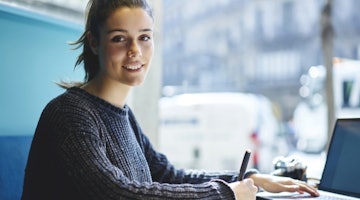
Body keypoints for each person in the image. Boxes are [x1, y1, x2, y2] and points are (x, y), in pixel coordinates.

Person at [21, 0, 320, 199]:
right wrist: (225, 194)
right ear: (95, 43)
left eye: (144, 37)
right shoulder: (69, 114)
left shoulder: (122, 114)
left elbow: (167, 175)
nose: (135, 51)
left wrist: (253, 178)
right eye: (119, 38)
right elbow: (118, 194)